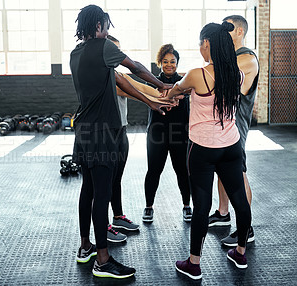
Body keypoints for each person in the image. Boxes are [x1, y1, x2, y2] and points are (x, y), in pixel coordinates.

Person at [70, 5, 175, 279]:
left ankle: (85, 248)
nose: (107, 31)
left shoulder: (75, 53)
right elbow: (135, 68)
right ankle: (103, 261)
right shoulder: (103, 47)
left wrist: (151, 100)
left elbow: (119, 80)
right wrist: (162, 85)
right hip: (103, 133)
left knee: (89, 190)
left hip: (83, 131)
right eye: (105, 26)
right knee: (102, 194)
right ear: (98, 27)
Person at [166, 22, 252, 280]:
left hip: (203, 149)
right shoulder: (237, 75)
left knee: (201, 206)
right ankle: (240, 253)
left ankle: (194, 264)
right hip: (231, 147)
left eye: (200, 43)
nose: (199, 48)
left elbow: (176, 90)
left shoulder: (196, 74)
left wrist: (172, 94)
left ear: (207, 44)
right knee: (240, 200)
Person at [207, 15, 259, 247]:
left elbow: (215, 76)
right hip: (223, 123)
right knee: (223, 169)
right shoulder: (230, 57)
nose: (223, 33)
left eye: (228, 29)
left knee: (239, 175)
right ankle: (223, 212)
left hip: (236, 125)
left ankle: (246, 229)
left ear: (239, 32)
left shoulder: (246, 58)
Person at [142, 44, 192, 223]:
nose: (169, 65)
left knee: (183, 171)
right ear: (160, 63)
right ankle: (148, 207)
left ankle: (187, 206)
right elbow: (149, 98)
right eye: (165, 61)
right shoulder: (152, 83)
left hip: (179, 134)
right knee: (154, 171)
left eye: (173, 61)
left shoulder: (185, 82)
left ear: (177, 63)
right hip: (157, 134)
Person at [105, 35, 139, 244]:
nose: (117, 54)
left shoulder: (119, 73)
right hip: (105, 133)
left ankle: (118, 217)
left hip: (121, 131)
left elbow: (136, 87)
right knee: (105, 181)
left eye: (119, 50)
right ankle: (104, 225)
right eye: (113, 50)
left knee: (116, 177)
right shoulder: (106, 76)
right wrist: (161, 96)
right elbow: (135, 91)